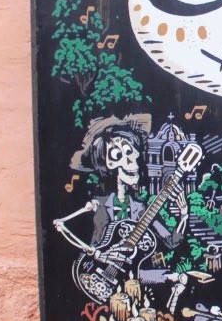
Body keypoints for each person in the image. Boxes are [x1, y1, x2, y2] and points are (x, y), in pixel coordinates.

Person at [54, 115, 191, 301]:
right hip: (96, 271)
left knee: (180, 278)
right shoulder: (100, 205)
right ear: (108, 164)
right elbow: (63, 227)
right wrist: (100, 254)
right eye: (117, 156)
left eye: (130, 151)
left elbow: (171, 241)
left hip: (132, 276)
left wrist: (184, 216)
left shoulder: (141, 209)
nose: (130, 161)